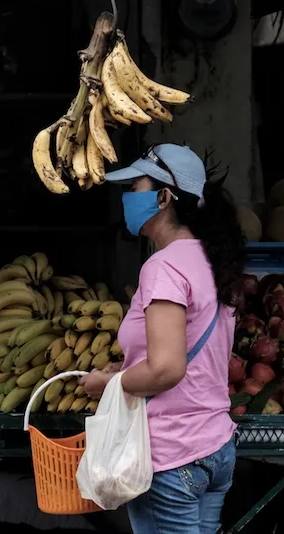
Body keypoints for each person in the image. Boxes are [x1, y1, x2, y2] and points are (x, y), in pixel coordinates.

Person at [79, 144, 243, 534]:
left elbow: (167, 368)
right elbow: (189, 354)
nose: (126, 198)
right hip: (214, 448)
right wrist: (130, 367)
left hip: (174, 454)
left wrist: (109, 383)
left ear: (164, 197)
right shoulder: (211, 258)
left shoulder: (164, 266)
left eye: (134, 187)